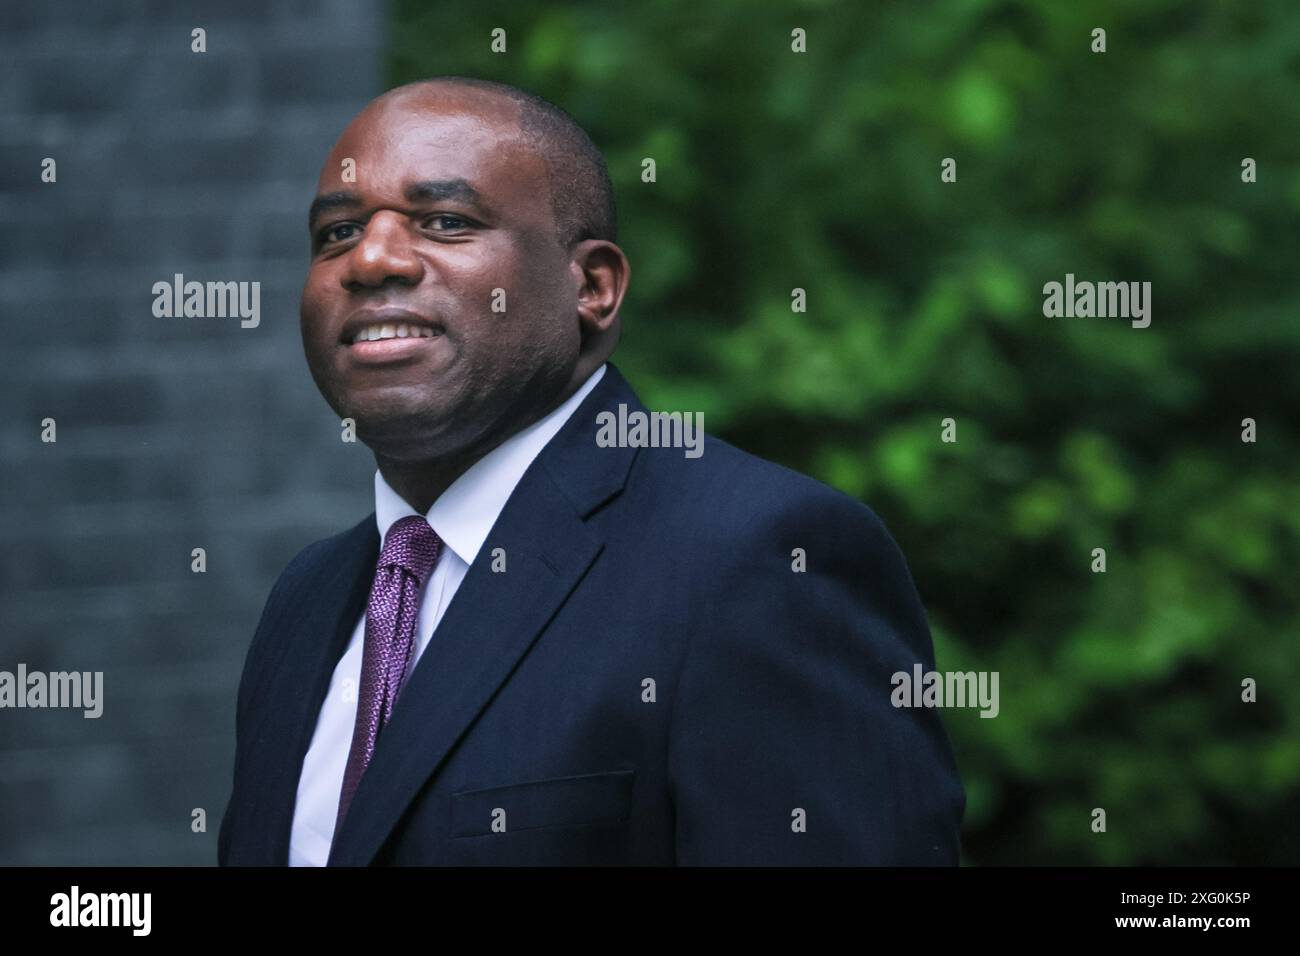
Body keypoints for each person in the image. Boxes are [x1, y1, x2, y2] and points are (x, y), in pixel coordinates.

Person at [217, 76, 965, 866]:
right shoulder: (308, 599)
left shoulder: (758, 561)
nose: (370, 259)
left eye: (444, 221)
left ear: (593, 286)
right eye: (336, 233)